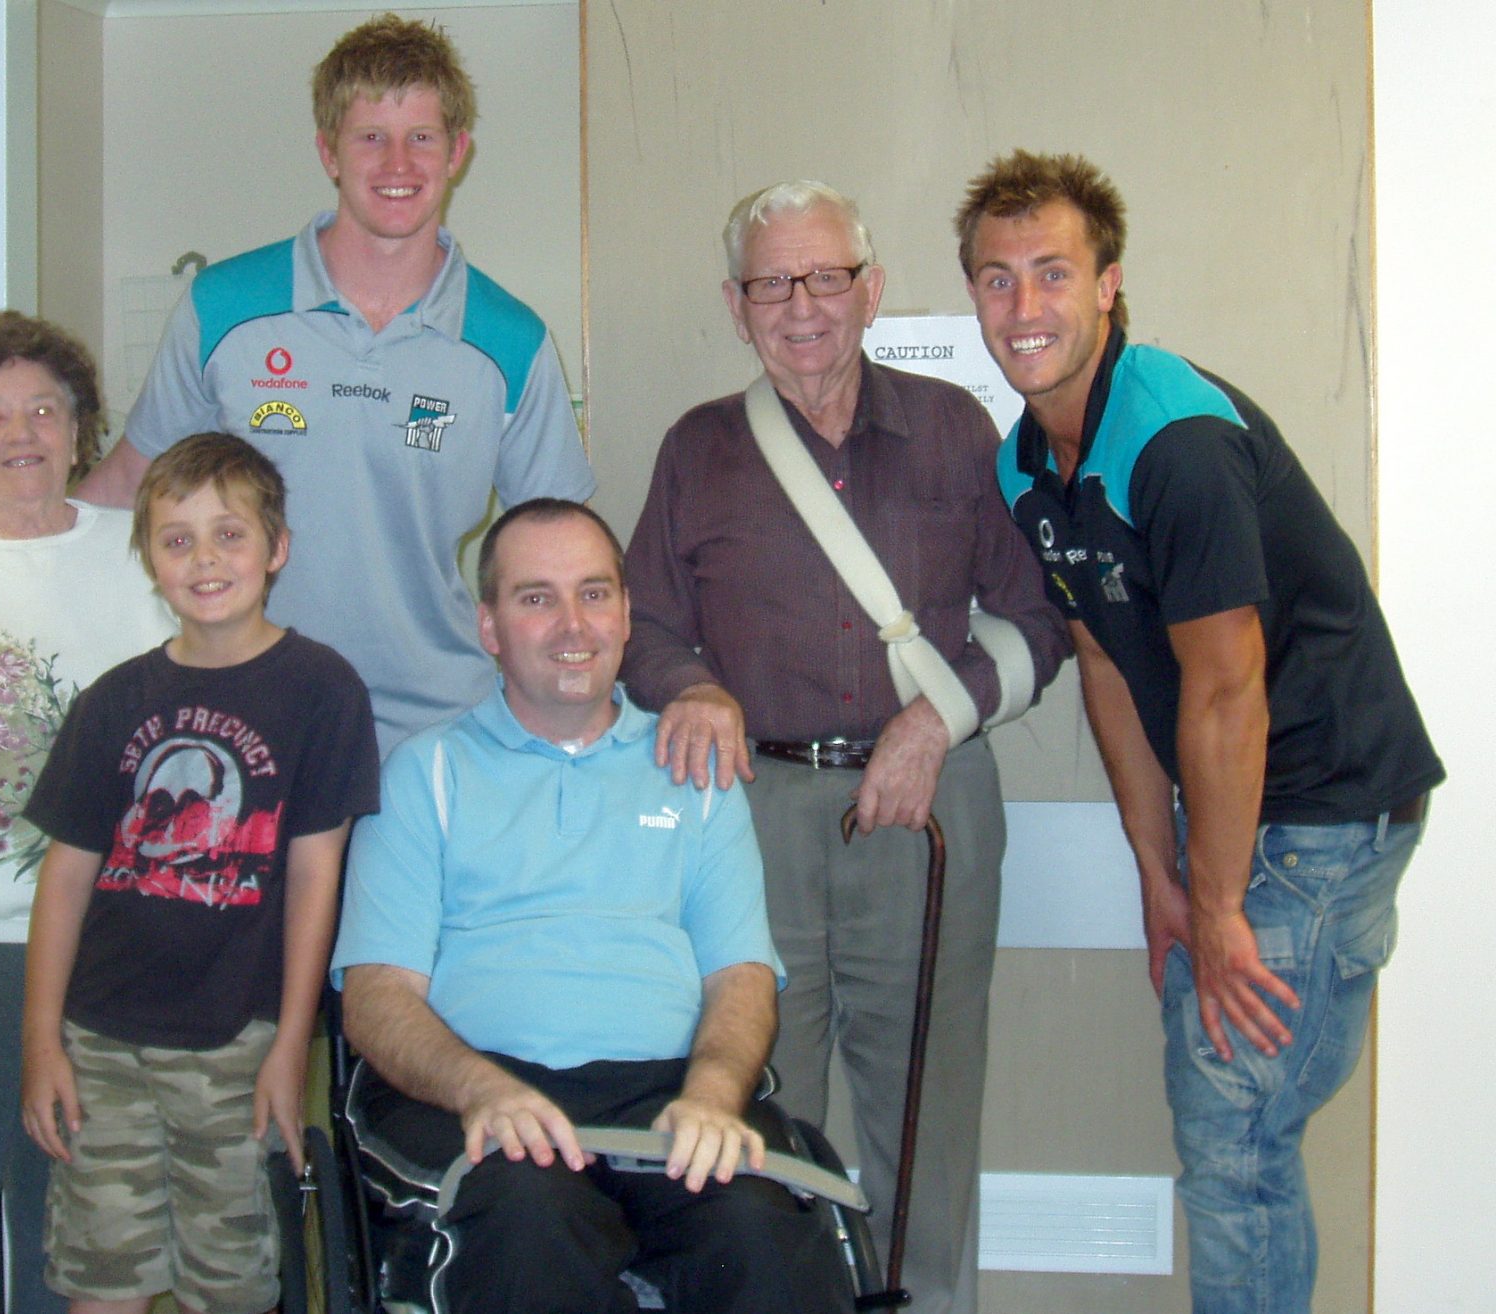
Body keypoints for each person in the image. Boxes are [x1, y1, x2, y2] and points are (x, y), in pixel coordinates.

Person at [955, 149, 1444, 1314]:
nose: (1024, 309)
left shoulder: (1175, 442)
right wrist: (1159, 873)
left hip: (1324, 813)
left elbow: (1226, 691)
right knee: (1230, 1132)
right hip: (1236, 813)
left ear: (1109, 283)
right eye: (996, 280)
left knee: (1233, 1142)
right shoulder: (1027, 463)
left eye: (1053, 275)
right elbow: (1113, 671)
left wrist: (1218, 904)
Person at [619, 181, 1070, 1314]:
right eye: (774, 282)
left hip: (929, 811)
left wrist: (936, 720)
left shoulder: (958, 430)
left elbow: (1039, 625)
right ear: (737, 305)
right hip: (753, 812)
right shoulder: (699, 448)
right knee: (760, 1106)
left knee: (926, 1112)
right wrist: (694, 689)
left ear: (870, 290)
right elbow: (647, 630)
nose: (803, 305)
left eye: (827, 276)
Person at [332, 498, 851, 1314]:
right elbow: (375, 997)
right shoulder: (424, 775)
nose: (573, 624)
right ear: (491, 627)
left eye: (595, 593)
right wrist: (480, 1090)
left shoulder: (695, 773)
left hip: (666, 1095)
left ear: (626, 612)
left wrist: (713, 1096)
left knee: (762, 1233)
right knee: (529, 1225)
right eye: (536, 598)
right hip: (481, 1088)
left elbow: (741, 977)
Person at [75, 13, 594, 754]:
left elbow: (560, 557)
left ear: (458, 153)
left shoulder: (511, 342)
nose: (398, 162)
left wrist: (577, 727)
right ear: (328, 151)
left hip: (437, 731)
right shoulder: (224, 306)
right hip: (247, 716)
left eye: (422, 136)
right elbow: (131, 480)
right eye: (370, 136)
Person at [21, 434, 379, 1314]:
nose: (205, 559)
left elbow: (315, 879)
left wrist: (292, 1043)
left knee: (234, 1279)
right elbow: (63, 881)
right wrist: (40, 1045)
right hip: (100, 1039)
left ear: (277, 548)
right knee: (103, 1279)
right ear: (148, 558)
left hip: (236, 1041)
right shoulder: (114, 701)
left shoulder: (323, 691)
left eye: (229, 534)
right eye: (177, 540)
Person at [0, 310, 177, 1314]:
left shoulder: (141, 549)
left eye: (45, 410)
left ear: (78, 430)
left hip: (109, 940)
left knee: (80, 1224)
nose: (22, 434)